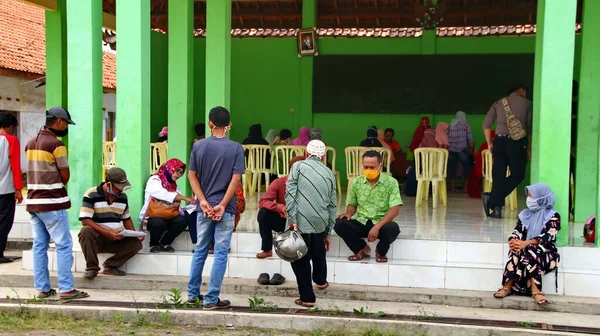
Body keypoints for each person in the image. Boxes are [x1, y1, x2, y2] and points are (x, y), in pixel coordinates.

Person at [25, 107, 88, 299]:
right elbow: (65, 175)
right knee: (63, 245)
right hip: (52, 202)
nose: (66, 127)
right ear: (59, 122)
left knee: (39, 246)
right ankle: (67, 288)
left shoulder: (30, 142)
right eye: (66, 123)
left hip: (33, 201)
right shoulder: (56, 144)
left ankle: (42, 288)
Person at [187, 106, 244, 310]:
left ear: (210, 124)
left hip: (204, 208)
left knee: (200, 250)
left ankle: (193, 295)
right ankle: (211, 299)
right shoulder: (236, 148)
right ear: (229, 125)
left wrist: (202, 201)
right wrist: (221, 205)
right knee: (220, 253)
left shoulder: (198, 146)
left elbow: (192, 175)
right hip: (225, 209)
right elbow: (235, 180)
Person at [285, 140, 336, 307]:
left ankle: (307, 297)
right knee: (318, 249)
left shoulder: (298, 167)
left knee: (300, 259)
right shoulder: (329, 173)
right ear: (323, 156)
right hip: (320, 220)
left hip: (301, 220)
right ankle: (320, 280)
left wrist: (292, 219)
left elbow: (290, 195)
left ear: (306, 153)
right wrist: (328, 230)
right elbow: (332, 204)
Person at [494, 183, 560, 306]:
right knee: (518, 251)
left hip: (546, 252)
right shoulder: (526, 214)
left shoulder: (553, 216)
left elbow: (548, 236)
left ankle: (535, 290)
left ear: (541, 197)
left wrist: (526, 243)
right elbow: (518, 230)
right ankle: (507, 287)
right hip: (525, 249)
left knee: (531, 249)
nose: (529, 199)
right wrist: (514, 241)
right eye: (528, 195)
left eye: (532, 196)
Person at [335, 150, 402, 263]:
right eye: (366, 167)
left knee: (393, 228)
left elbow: (395, 210)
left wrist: (377, 227)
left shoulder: (391, 182)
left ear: (380, 166)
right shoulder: (357, 182)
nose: (369, 170)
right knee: (339, 223)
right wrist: (348, 213)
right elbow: (352, 204)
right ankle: (361, 249)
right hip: (362, 222)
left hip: (382, 224)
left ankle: (380, 252)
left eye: (372, 167)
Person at [79, 168, 143, 279]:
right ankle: (92, 268)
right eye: (118, 188)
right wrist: (107, 233)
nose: (120, 191)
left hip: (117, 237)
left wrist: (134, 234)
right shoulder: (91, 194)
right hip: (98, 238)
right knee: (86, 231)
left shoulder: (123, 197)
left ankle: (110, 266)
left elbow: (126, 219)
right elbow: (85, 220)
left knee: (136, 244)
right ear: (108, 185)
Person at [482, 85, 532, 219]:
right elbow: (530, 128)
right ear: (521, 90)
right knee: (518, 174)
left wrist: (489, 144)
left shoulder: (498, 103)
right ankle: (491, 198)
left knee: (498, 174)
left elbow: (486, 125)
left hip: (499, 142)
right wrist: (528, 149)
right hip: (516, 143)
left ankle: (496, 210)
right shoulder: (527, 104)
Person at [139, 159, 194, 253]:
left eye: (181, 173)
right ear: (170, 168)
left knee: (183, 221)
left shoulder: (173, 185)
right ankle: (154, 244)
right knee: (159, 223)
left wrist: (184, 210)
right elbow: (162, 194)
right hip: (153, 216)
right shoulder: (155, 180)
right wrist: (185, 198)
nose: (178, 175)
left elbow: (175, 203)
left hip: (168, 215)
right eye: (177, 171)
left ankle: (165, 242)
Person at [256, 156, 304, 259]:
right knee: (263, 214)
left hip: (303, 222)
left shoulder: (309, 185)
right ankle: (267, 249)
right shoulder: (279, 182)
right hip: (284, 220)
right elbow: (263, 202)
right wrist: (280, 207)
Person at [0, 113, 23, 264]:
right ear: (10, 126)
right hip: (5, 189)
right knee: (4, 222)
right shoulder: (11, 140)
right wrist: (19, 188)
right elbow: (15, 166)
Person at [448, 111, 474, 193]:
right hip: (462, 148)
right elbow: (469, 139)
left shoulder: (451, 125)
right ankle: (465, 188)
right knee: (467, 167)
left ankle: (452, 188)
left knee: (452, 167)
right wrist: (470, 148)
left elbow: (446, 135)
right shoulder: (466, 125)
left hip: (451, 149)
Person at [468, 130, 496, 198]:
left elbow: (478, 158)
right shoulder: (503, 146)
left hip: (486, 170)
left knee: (473, 171)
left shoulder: (485, 145)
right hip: (501, 170)